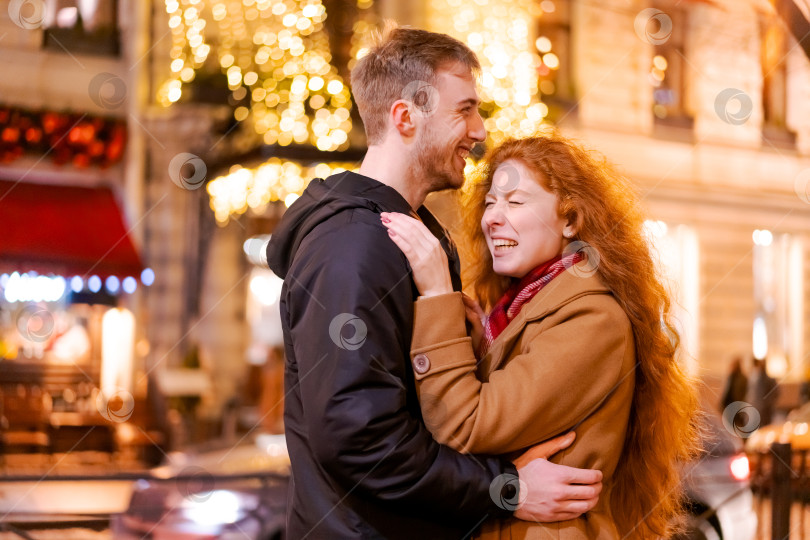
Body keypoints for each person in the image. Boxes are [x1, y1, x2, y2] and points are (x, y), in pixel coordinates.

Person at [265, 27, 603, 539]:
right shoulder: (353, 248)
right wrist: (507, 487)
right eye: (464, 110)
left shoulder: (405, 231)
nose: (480, 130)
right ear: (406, 118)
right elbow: (360, 442)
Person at [381, 133, 701, 539]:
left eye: (515, 201)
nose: (492, 217)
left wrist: (437, 295)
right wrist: (478, 346)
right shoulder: (522, 306)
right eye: (491, 202)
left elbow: (464, 425)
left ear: (570, 219)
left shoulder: (592, 317)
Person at [746, 357, 778, 426]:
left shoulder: (767, 379)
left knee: (763, 426)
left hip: (763, 408)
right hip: (754, 406)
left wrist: (768, 403)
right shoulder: (753, 376)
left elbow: (775, 393)